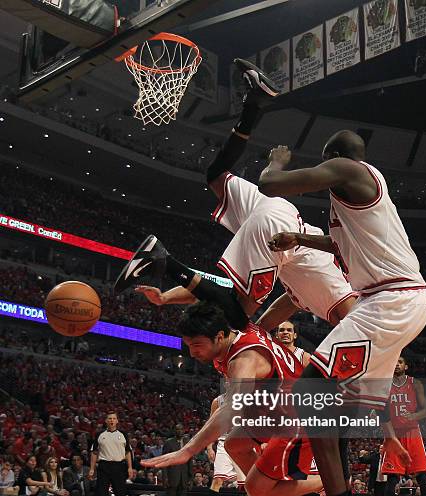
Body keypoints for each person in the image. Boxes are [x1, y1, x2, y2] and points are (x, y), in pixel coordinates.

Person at [258, 98, 426, 496]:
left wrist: (276, 162)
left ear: (336, 157)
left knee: (311, 390)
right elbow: (339, 242)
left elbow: (272, 184)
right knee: (338, 409)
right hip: (397, 301)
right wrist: (300, 238)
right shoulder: (360, 198)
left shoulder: (351, 171)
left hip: (389, 301)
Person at [114, 60, 355, 334]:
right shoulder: (347, 300)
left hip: (279, 212)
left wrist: (167, 297)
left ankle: (254, 104)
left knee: (216, 175)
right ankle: (164, 261)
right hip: (281, 234)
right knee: (237, 318)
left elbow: (271, 315)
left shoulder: (308, 291)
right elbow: (356, 329)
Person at [142, 303, 330, 496]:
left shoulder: (244, 359)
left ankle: (329, 481)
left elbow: (230, 410)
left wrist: (188, 450)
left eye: (197, 345)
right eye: (189, 346)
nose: (192, 353)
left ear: (219, 336)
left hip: (297, 418)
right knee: (234, 444)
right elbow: (263, 311)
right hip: (274, 410)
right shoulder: (242, 331)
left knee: (255, 489)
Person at [381, 356, 426, 496]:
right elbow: (381, 414)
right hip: (394, 436)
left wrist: (413, 416)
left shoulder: (415, 383)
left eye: (400, 362)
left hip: (413, 434)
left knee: (422, 477)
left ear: (406, 366)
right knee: (392, 479)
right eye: (394, 361)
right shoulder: (384, 386)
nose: (396, 364)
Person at [200, 395, 259, 496]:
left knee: (248, 485)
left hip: (242, 443)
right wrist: (209, 447)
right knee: (217, 480)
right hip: (223, 444)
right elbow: (211, 426)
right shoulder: (218, 401)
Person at [89, 412, 133, 496]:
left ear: (117, 421)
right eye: (110, 418)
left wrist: (130, 467)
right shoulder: (99, 434)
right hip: (104, 466)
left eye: (114, 418)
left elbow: (127, 452)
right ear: (106, 421)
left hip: (119, 466)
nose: (112, 420)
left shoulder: (123, 434)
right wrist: (92, 468)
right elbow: (94, 452)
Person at [161, 423, 193, 496]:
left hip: (183, 477)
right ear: (174, 431)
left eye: (181, 429)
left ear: (184, 430)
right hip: (171, 477)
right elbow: (164, 460)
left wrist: (190, 478)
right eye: (177, 429)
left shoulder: (188, 443)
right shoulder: (169, 443)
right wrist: (165, 477)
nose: (179, 431)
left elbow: (189, 461)